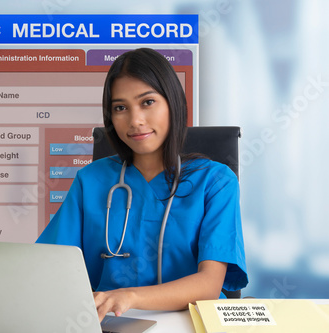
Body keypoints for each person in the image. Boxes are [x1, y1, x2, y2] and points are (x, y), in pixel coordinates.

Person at [37, 48, 248, 321]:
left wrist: (130, 296)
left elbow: (208, 285)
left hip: (192, 324)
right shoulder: (90, 181)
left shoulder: (216, 181)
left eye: (147, 102)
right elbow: (49, 268)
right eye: (120, 107)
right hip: (111, 322)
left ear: (173, 104)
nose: (135, 121)